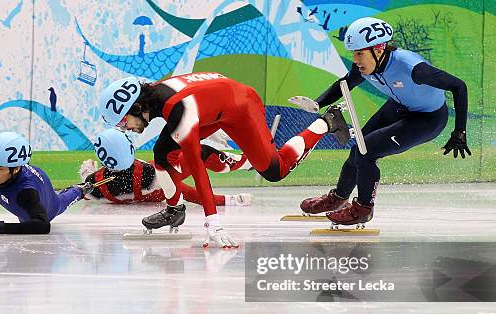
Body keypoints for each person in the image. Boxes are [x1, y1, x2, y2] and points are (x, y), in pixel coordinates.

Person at [98, 73, 349, 247]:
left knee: (275, 170)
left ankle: (326, 123)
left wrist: (213, 222)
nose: (125, 128)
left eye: (122, 122)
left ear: (137, 106)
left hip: (241, 107)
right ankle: (175, 210)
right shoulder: (158, 95)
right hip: (215, 103)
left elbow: (197, 170)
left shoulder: (176, 110)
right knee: (162, 154)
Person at [300, 17, 469, 225]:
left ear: (378, 50)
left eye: (359, 53)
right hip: (399, 106)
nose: (355, 59)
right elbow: (344, 84)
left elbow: (459, 86)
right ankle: (338, 198)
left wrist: (459, 131)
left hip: (427, 118)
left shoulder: (413, 68)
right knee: (358, 150)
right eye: (353, 53)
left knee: (366, 152)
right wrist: (317, 103)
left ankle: (363, 209)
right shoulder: (366, 65)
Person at [79, 128, 253, 206]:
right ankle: (249, 163)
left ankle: (230, 199)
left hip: (150, 185)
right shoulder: (146, 173)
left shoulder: (93, 185)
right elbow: (187, 192)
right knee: (201, 154)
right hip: (156, 181)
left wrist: (87, 177)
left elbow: (85, 193)